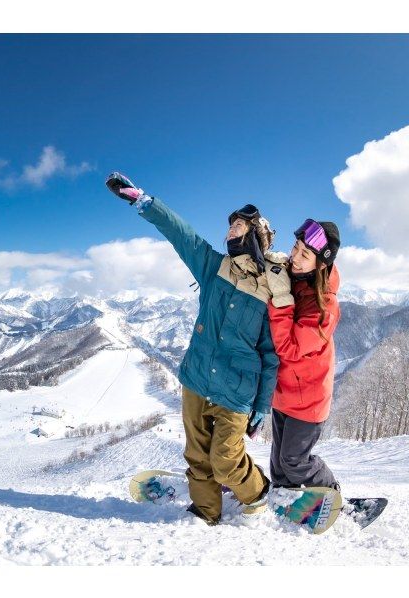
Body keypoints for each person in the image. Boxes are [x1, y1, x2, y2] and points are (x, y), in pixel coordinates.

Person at [106, 172, 289, 525]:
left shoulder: (271, 291)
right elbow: (181, 235)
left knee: (225, 459)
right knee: (197, 456)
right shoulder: (212, 267)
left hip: (236, 391)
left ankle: (257, 493)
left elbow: (270, 354)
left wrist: (263, 405)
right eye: (230, 225)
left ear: (256, 234)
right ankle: (205, 512)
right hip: (197, 379)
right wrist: (143, 200)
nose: (230, 230)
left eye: (238, 225)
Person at [265, 219, 341, 491]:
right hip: (283, 394)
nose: (294, 258)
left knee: (294, 461)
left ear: (321, 264)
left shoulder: (325, 307)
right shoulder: (292, 277)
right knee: (279, 468)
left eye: (304, 255)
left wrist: (281, 301)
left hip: (308, 400)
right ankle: (286, 500)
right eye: (295, 248)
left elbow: (291, 348)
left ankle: (331, 493)